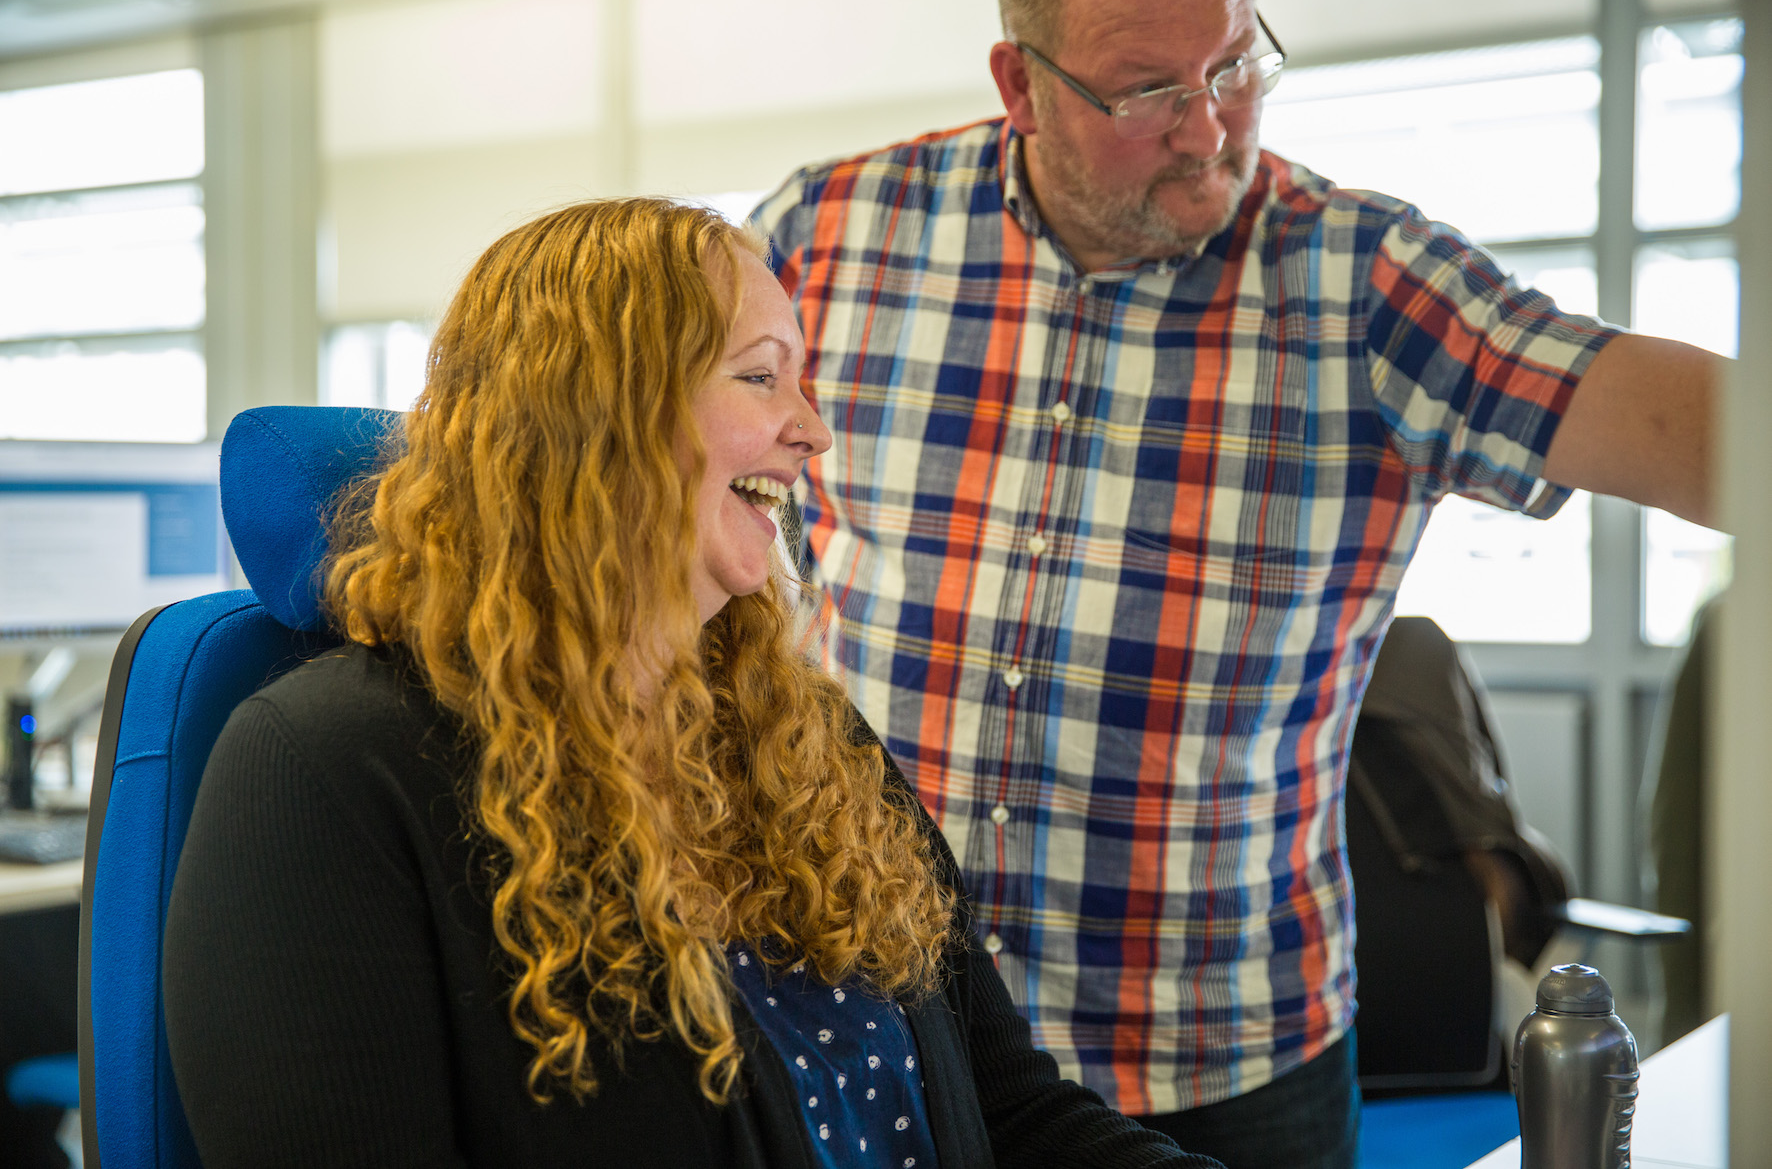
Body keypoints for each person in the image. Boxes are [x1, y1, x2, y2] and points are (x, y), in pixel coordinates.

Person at [749, 0, 1721, 1164]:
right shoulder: (831, 228)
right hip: (893, 1007)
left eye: (1232, 67)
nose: (1206, 128)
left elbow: (1678, 427)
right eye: (1147, 88)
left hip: (1215, 1057)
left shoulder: (1368, 280)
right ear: (1021, 87)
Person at [161, 198, 1223, 1169]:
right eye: (761, 376)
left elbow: (1011, 1109)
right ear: (596, 415)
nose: (810, 429)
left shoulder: (799, 727)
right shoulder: (325, 772)